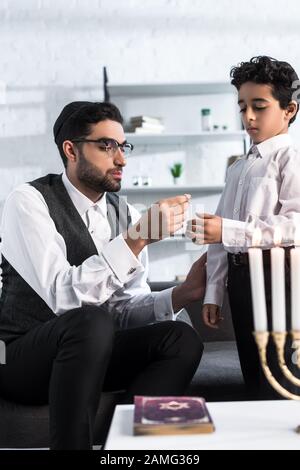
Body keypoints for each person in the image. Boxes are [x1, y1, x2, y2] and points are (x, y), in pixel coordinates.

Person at [0, 101, 206, 449]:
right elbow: (63, 297)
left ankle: (124, 448)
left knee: (180, 339)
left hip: (90, 351)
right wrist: (136, 239)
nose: (121, 159)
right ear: (71, 150)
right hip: (21, 356)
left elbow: (122, 310)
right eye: (106, 146)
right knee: (91, 323)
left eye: (122, 146)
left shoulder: (123, 213)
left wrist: (182, 293)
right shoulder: (28, 201)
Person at [186, 56, 300, 398]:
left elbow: (295, 225)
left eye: (259, 106)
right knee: (253, 370)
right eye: (242, 106)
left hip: (277, 279)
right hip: (240, 281)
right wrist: (214, 292)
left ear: (289, 110)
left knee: (281, 378)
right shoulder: (237, 168)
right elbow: (218, 238)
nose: (248, 116)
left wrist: (229, 230)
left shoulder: (290, 158)